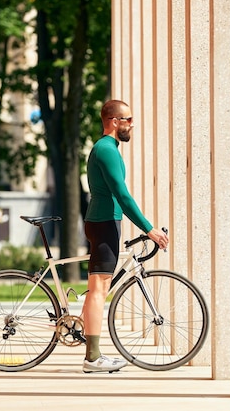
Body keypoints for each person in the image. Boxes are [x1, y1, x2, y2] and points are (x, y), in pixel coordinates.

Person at [81, 99, 169, 373]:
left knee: (97, 288)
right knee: (99, 291)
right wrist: (148, 228)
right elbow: (121, 194)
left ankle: (83, 336)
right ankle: (92, 358)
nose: (132, 124)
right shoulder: (106, 149)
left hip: (104, 221)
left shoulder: (108, 149)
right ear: (114, 121)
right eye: (128, 119)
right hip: (104, 222)